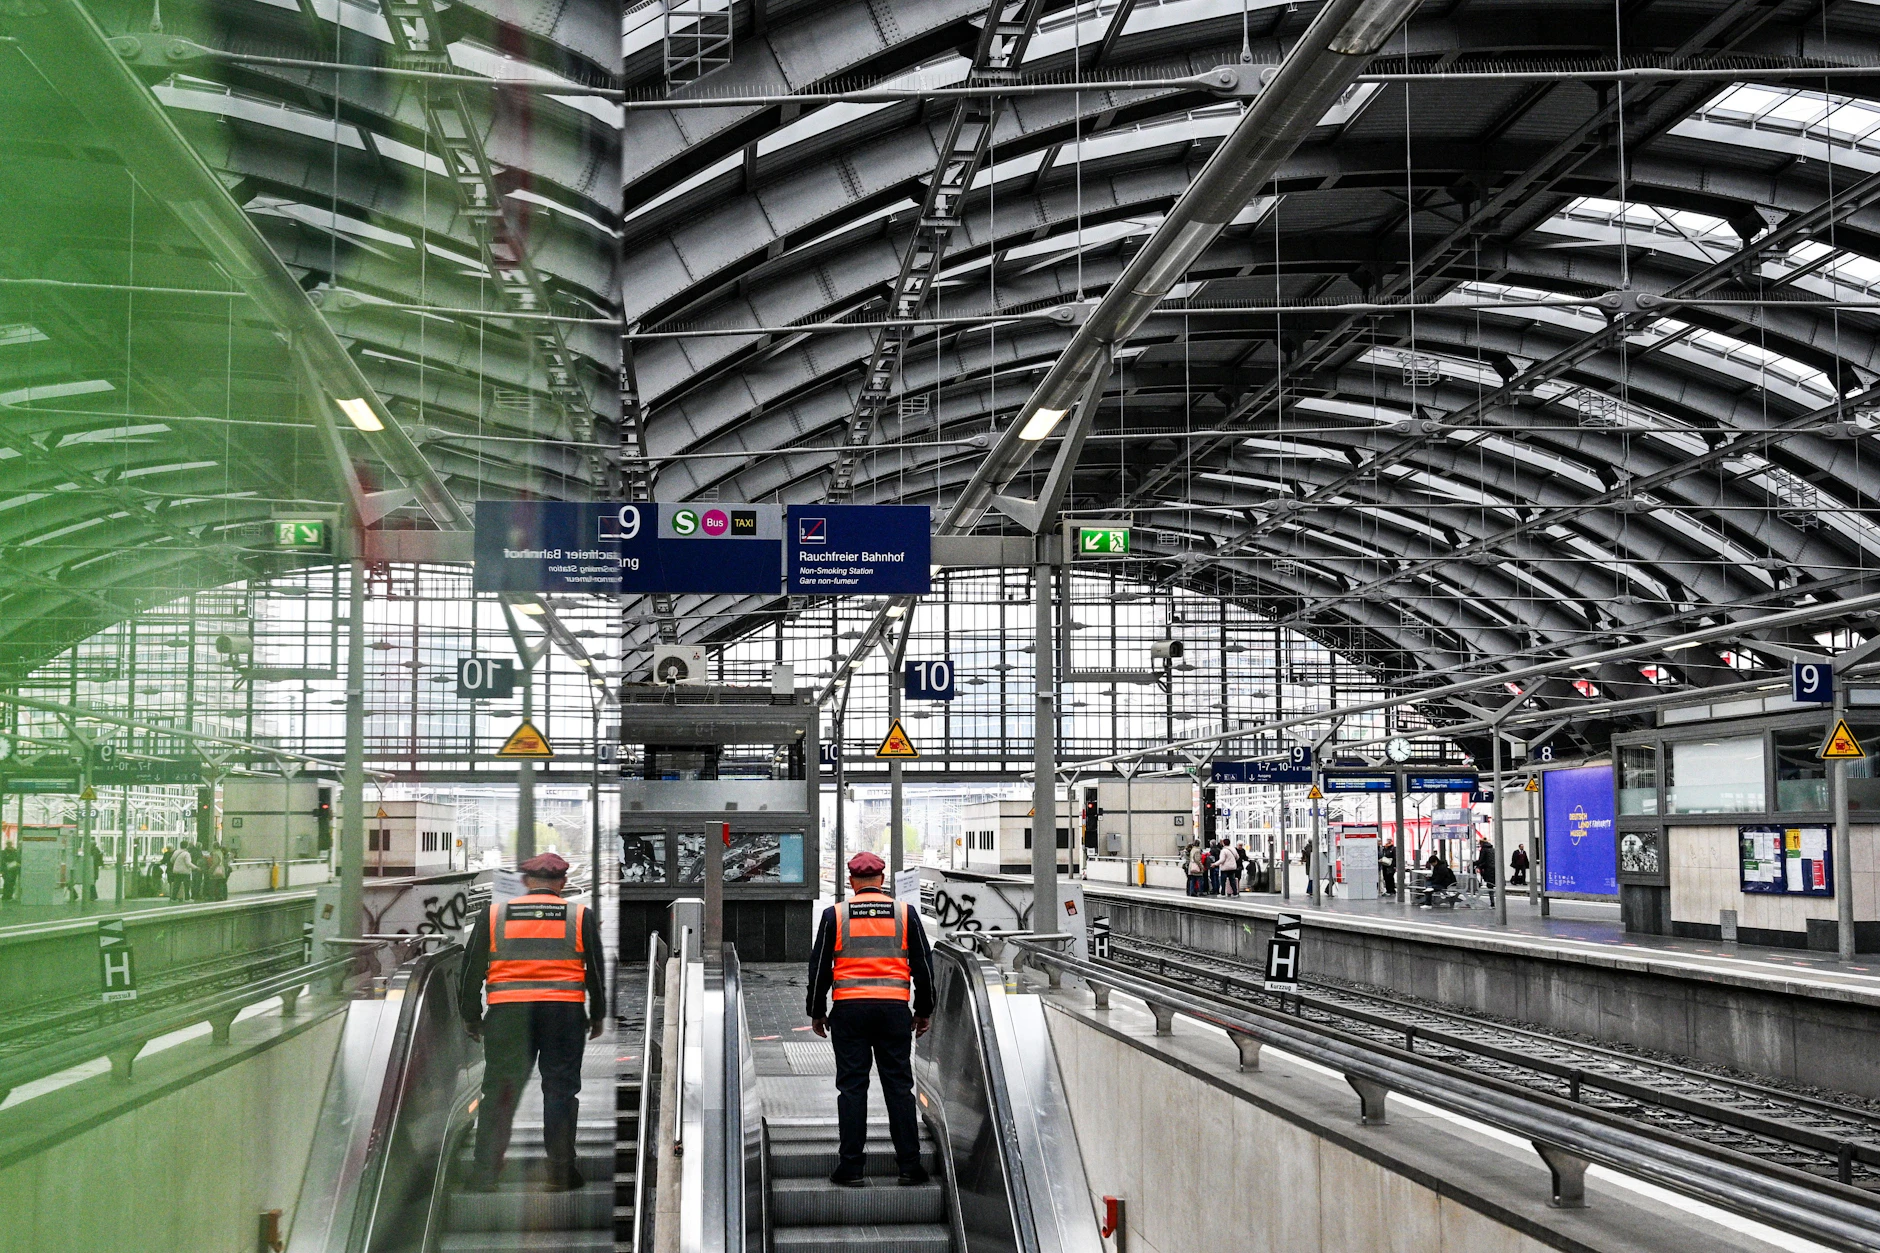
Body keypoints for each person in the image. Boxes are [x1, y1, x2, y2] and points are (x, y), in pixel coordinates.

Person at [459, 851, 605, 1192]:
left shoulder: (493, 915)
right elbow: (595, 972)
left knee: (498, 1094)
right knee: (560, 1092)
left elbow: (471, 970)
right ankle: (561, 1172)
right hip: (563, 1016)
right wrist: (596, 1014)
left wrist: (470, 1015)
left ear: (526, 882)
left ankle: (484, 1176)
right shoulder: (579, 915)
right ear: (563, 883)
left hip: (508, 1016)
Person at [806, 851, 935, 1187]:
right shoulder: (905, 914)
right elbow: (923, 966)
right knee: (899, 1087)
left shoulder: (836, 915)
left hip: (849, 1012)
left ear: (851, 882)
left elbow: (819, 967)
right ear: (881, 881)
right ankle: (909, 1166)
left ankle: (851, 1168)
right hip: (893, 1012)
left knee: (851, 1088)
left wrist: (817, 1011)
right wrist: (924, 1011)